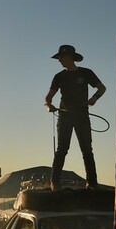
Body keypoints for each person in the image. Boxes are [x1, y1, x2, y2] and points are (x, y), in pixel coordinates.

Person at [44, 44, 106, 190]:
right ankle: (55, 182)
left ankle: (92, 183)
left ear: (70, 57)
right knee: (62, 149)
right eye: (59, 58)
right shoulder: (59, 77)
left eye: (61, 57)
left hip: (82, 115)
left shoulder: (86, 73)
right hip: (64, 115)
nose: (59, 60)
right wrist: (49, 106)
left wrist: (94, 98)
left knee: (87, 149)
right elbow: (47, 99)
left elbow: (102, 88)